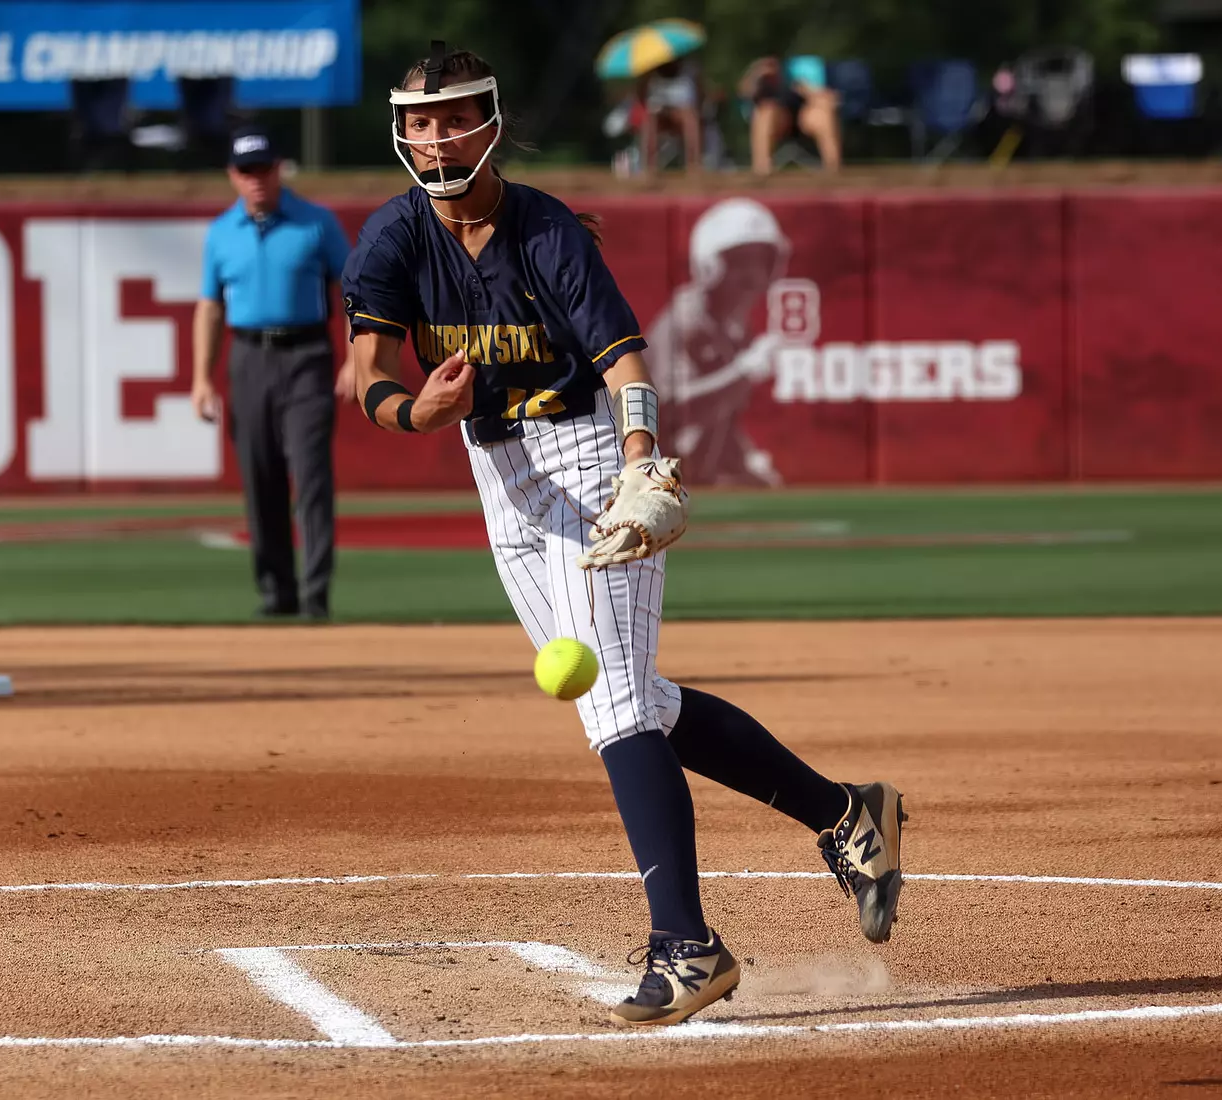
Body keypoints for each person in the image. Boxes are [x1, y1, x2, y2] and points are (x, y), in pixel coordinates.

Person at [341, 42, 908, 1028]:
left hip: (586, 452)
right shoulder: (394, 236)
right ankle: (844, 812)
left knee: (613, 701)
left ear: (492, 121)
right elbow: (367, 375)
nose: (435, 137)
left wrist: (641, 460)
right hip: (499, 473)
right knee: (633, 696)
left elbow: (623, 356)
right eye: (420, 121)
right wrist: (416, 416)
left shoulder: (546, 231)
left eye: (454, 116)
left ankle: (689, 943)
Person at [192, 127, 353, 621]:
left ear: (279, 168)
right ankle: (275, 591)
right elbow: (210, 306)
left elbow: (354, 295)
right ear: (232, 176)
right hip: (248, 357)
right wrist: (202, 377)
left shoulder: (316, 223)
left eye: (264, 168)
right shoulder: (221, 232)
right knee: (259, 476)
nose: (257, 179)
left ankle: (315, 594)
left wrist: (356, 359)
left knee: (310, 476)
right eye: (247, 170)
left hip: (306, 354)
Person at [645, 197, 791, 487]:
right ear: (709, 264)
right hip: (648, 472)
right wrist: (743, 372)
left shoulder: (731, 327)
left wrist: (745, 459)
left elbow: (719, 418)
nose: (753, 274)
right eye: (739, 262)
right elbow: (666, 407)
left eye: (760, 261)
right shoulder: (686, 320)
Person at [739, 56, 842, 175]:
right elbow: (745, 97)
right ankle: (762, 171)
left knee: (823, 112)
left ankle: (833, 169)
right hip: (779, 121)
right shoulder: (758, 81)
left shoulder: (801, 72)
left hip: (806, 116)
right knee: (765, 114)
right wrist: (757, 75)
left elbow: (830, 98)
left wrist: (807, 91)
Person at [635, 58, 703, 175]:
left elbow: (699, 98)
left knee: (690, 118)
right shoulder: (652, 74)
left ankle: (693, 165)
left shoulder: (689, 71)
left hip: (683, 116)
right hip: (660, 116)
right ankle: (649, 168)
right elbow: (642, 99)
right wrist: (645, 79)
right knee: (650, 120)